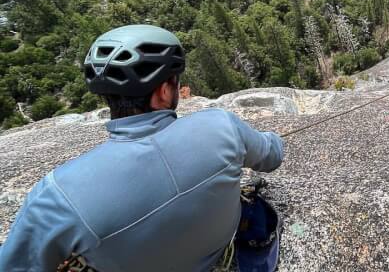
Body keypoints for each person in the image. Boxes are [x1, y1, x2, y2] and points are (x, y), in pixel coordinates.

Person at [0, 24, 284, 272]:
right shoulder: (222, 126)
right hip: (218, 251)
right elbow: (272, 155)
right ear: (163, 90)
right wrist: (270, 138)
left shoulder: (56, 197)